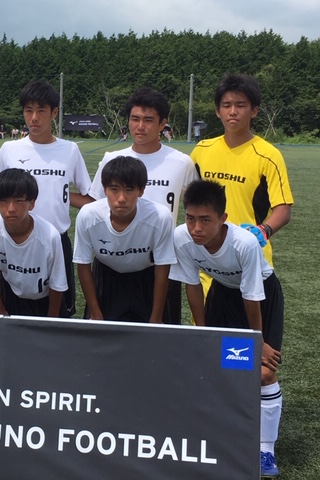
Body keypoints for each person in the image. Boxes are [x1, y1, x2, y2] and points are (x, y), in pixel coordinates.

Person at [169, 179, 283, 478]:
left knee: (263, 372)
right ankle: (223, 432)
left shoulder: (244, 244)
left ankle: (265, 449)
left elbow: (252, 295)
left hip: (261, 296)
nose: (196, 228)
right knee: (218, 363)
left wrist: (257, 342)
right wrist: (203, 331)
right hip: (222, 293)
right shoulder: (181, 238)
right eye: (190, 218)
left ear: (223, 219)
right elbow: (192, 285)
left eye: (205, 220)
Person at [89, 87, 198, 324]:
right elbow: (96, 205)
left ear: (163, 124)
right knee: (104, 334)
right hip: (112, 260)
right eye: (135, 119)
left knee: (160, 335)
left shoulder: (182, 162)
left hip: (160, 263)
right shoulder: (111, 159)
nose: (140, 126)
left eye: (148, 120)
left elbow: (196, 208)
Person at [0, 79, 93, 317]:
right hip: (14, 240)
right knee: (9, 311)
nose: (34, 118)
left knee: (58, 314)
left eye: (41, 111)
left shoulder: (70, 150)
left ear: (54, 113)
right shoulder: (10, 149)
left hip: (56, 240)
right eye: (28, 111)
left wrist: (61, 196)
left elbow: (87, 196)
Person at [191, 73, 294, 268]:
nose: (232, 112)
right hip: (208, 260)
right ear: (218, 111)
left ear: (254, 111)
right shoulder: (201, 151)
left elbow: (283, 209)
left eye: (240, 105)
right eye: (226, 105)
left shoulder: (268, 155)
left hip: (251, 258)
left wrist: (263, 231)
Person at [74, 156, 175, 323]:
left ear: (141, 191)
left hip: (146, 279)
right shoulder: (88, 215)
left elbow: (163, 267)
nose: (121, 198)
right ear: (104, 189)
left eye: (129, 190)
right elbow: (83, 264)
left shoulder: (159, 217)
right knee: (102, 335)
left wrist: (156, 317)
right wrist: (95, 312)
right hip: (106, 276)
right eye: (114, 189)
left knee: (151, 336)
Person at [0, 169, 67, 317]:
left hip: (45, 300)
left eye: (19, 201)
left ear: (32, 203)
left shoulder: (50, 236)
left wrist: (51, 319)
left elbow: (57, 283)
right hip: (9, 295)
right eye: (4, 201)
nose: (11, 209)